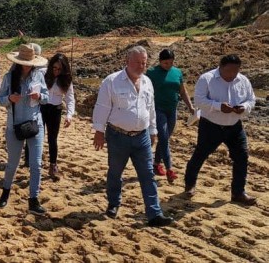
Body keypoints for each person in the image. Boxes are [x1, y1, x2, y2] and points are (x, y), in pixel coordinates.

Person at [92, 45, 173, 227]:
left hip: (142, 136)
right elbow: (102, 107)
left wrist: (153, 131)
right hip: (117, 135)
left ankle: (154, 213)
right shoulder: (111, 81)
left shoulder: (147, 82)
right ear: (127, 61)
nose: (141, 66)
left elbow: (150, 108)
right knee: (115, 172)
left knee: (147, 175)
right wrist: (99, 131)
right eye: (137, 62)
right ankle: (113, 203)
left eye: (144, 63)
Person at [184, 55, 257, 205]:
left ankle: (238, 192)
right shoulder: (207, 78)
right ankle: (190, 185)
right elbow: (198, 100)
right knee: (200, 155)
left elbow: (251, 99)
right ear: (221, 67)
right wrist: (218, 106)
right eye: (229, 71)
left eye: (235, 71)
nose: (232, 74)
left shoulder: (243, 80)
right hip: (211, 125)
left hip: (234, 126)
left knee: (242, 157)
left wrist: (244, 108)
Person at [0, 44, 49, 215]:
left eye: (31, 63)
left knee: (36, 164)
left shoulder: (39, 75)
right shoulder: (9, 77)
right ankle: (5, 191)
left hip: (35, 125)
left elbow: (47, 98)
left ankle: (33, 199)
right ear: (18, 62)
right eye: (25, 62)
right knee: (12, 164)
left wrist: (40, 96)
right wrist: (9, 98)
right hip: (14, 126)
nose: (29, 66)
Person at [145, 49, 195, 183]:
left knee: (165, 138)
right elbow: (144, 91)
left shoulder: (177, 72)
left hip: (172, 109)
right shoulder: (151, 73)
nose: (169, 65)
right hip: (157, 109)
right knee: (164, 137)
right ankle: (170, 169)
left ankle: (156, 164)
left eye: (171, 63)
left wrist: (190, 107)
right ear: (160, 61)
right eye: (166, 63)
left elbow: (183, 91)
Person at [41, 53, 75, 182]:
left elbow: (70, 98)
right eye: (54, 68)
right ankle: (31, 160)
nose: (56, 71)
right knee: (37, 135)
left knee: (52, 139)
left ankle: (53, 165)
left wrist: (69, 115)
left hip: (55, 110)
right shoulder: (43, 73)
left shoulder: (66, 79)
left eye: (59, 69)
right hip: (41, 107)